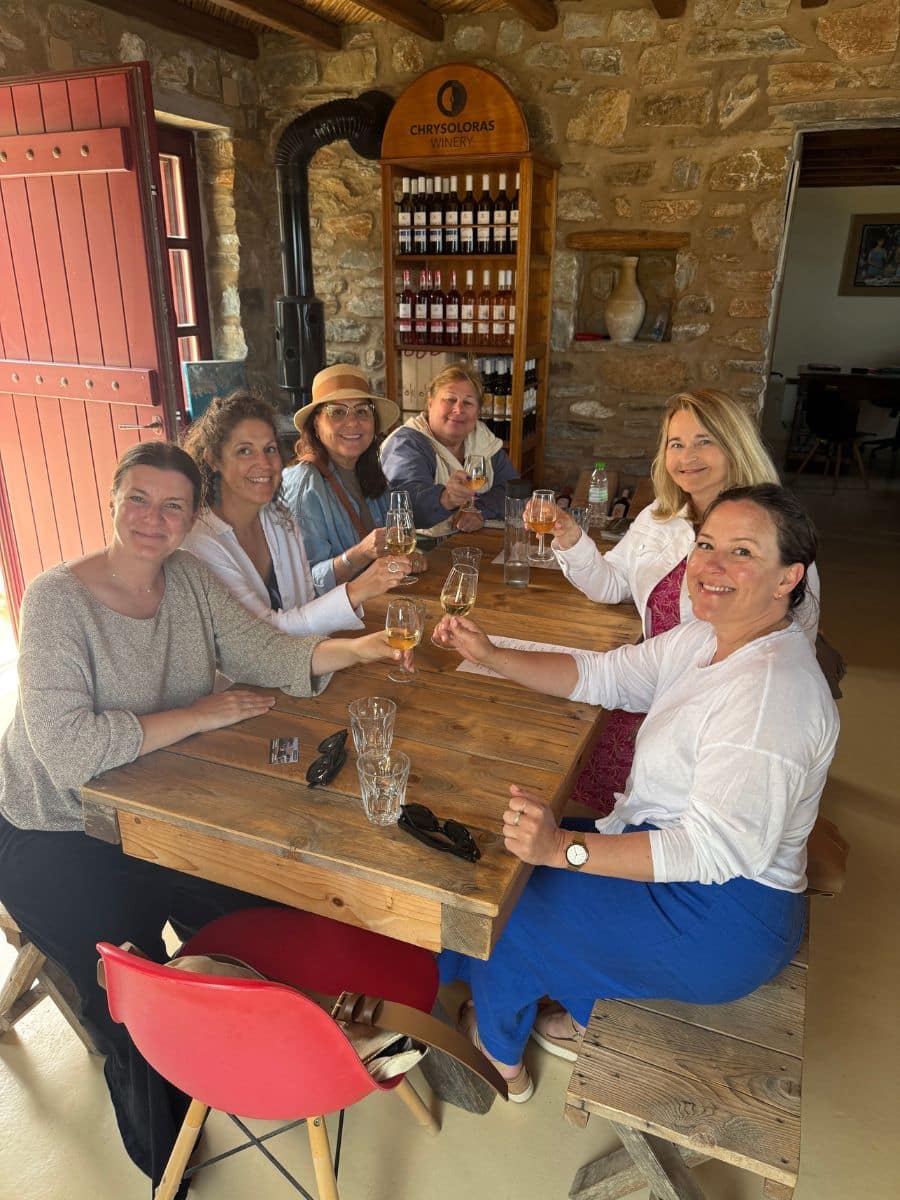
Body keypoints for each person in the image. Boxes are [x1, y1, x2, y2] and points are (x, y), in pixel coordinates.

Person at [0, 442, 402, 1189]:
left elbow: (266, 651)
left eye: (173, 505)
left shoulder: (187, 578)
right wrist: (196, 715)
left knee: (269, 908)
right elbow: (69, 754)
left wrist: (361, 649)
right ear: (111, 501)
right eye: (138, 499)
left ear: (191, 519)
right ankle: (166, 1157)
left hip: (161, 809)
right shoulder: (57, 599)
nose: (153, 518)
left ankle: (285, 1050)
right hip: (54, 829)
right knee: (130, 987)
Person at [433, 484, 839, 1103]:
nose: (711, 565)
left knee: (511, 906)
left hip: (724, 915)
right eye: (706, 545)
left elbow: (710, 851)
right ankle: (562, 1002)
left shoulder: (771, 694)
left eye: (742, 552)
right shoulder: (712, 636)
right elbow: (607, 675)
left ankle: (499, 1056)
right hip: (676, 862)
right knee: (501, 864)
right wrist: (492, 654)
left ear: (789, 578)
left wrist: (564, 847)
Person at [547, 388, 820, 815]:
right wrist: (570, 539)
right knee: (554, 739)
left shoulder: (777, 535)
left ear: (736, 446)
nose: (687, 456)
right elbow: (610, 583)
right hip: (649, 681)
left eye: (704, 441)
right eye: (676, 444)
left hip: (712, 708)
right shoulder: (660, 516)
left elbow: (791, 645)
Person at [182, 390, 410, 635]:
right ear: (213, 460)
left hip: (309, 655)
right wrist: (358, 589)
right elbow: (260, 636)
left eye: (269, 449)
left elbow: (306, 603)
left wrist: (359, 648)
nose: (263, 462)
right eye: (244, 451)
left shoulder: (278, 518)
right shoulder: (199, 543)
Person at [282, 364, 406, 595]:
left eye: (362, 411)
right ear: (316, 425)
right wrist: (361, 552)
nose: (352, 423)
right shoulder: (303, 484)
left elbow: (391, 548)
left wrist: (409, 560)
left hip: (376, 606)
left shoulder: (369, 471)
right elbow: (304, 585)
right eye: (337, 412)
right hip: (336, 623)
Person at [380, 363, 519, 537]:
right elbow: (406, 506)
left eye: (468, 402)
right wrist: (446, 498)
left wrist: (480, 511)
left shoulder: (482, 437)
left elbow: (512, 489)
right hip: (420, 548)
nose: (458, 409)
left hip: (472, 539)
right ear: (430, 403)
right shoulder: (406, 444)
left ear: (478, 412)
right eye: (450, 399)